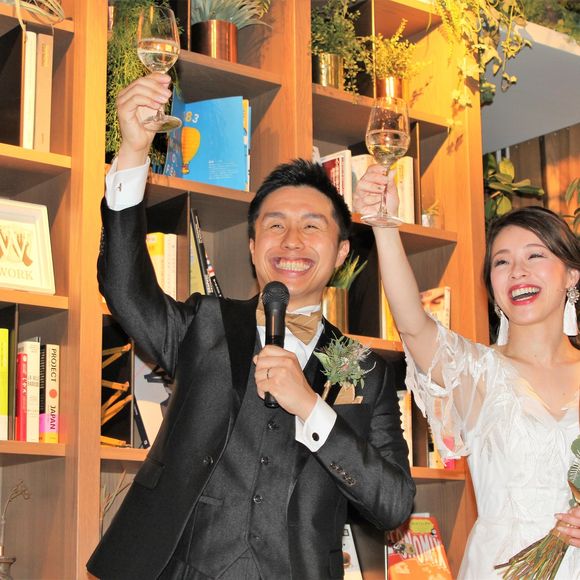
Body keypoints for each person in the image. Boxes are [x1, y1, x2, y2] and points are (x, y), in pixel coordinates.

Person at [86, 74, 415, 580]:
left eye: (312, 226)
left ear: (341, 252)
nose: (291, 240)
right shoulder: (205, 324)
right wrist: (133, 151)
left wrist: (311, 407)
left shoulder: (367, 371)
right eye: (275, 225)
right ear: (252, 247)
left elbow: (392, 503)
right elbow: (125, 290)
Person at [355, 164, 580, 579]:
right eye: (501, 262)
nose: (517, 271)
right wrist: (384, 226)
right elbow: (412, 325)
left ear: (571, 274)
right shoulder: (476, 372)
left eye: (535, 255)